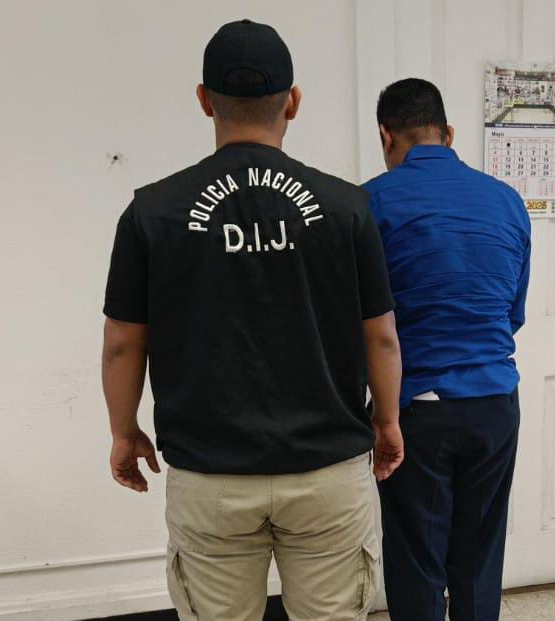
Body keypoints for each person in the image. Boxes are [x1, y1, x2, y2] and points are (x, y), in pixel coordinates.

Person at [101, 19, 404, 621]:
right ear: (293, 101)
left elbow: (121, 344)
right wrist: (388, 420)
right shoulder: (347, 208)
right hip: (326, 470)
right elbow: (381, 334)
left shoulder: (152, 213)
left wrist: (123, 429)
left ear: (204, 99)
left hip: (210, 473)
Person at [364, 79, 530, 621]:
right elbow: (513, 314)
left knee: (417, 559)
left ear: (386, 136)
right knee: (480, 558)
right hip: (496, 406)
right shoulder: (507, 201)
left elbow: (360, 325)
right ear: (449, 133)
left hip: (414, 410)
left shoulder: (369, 203)